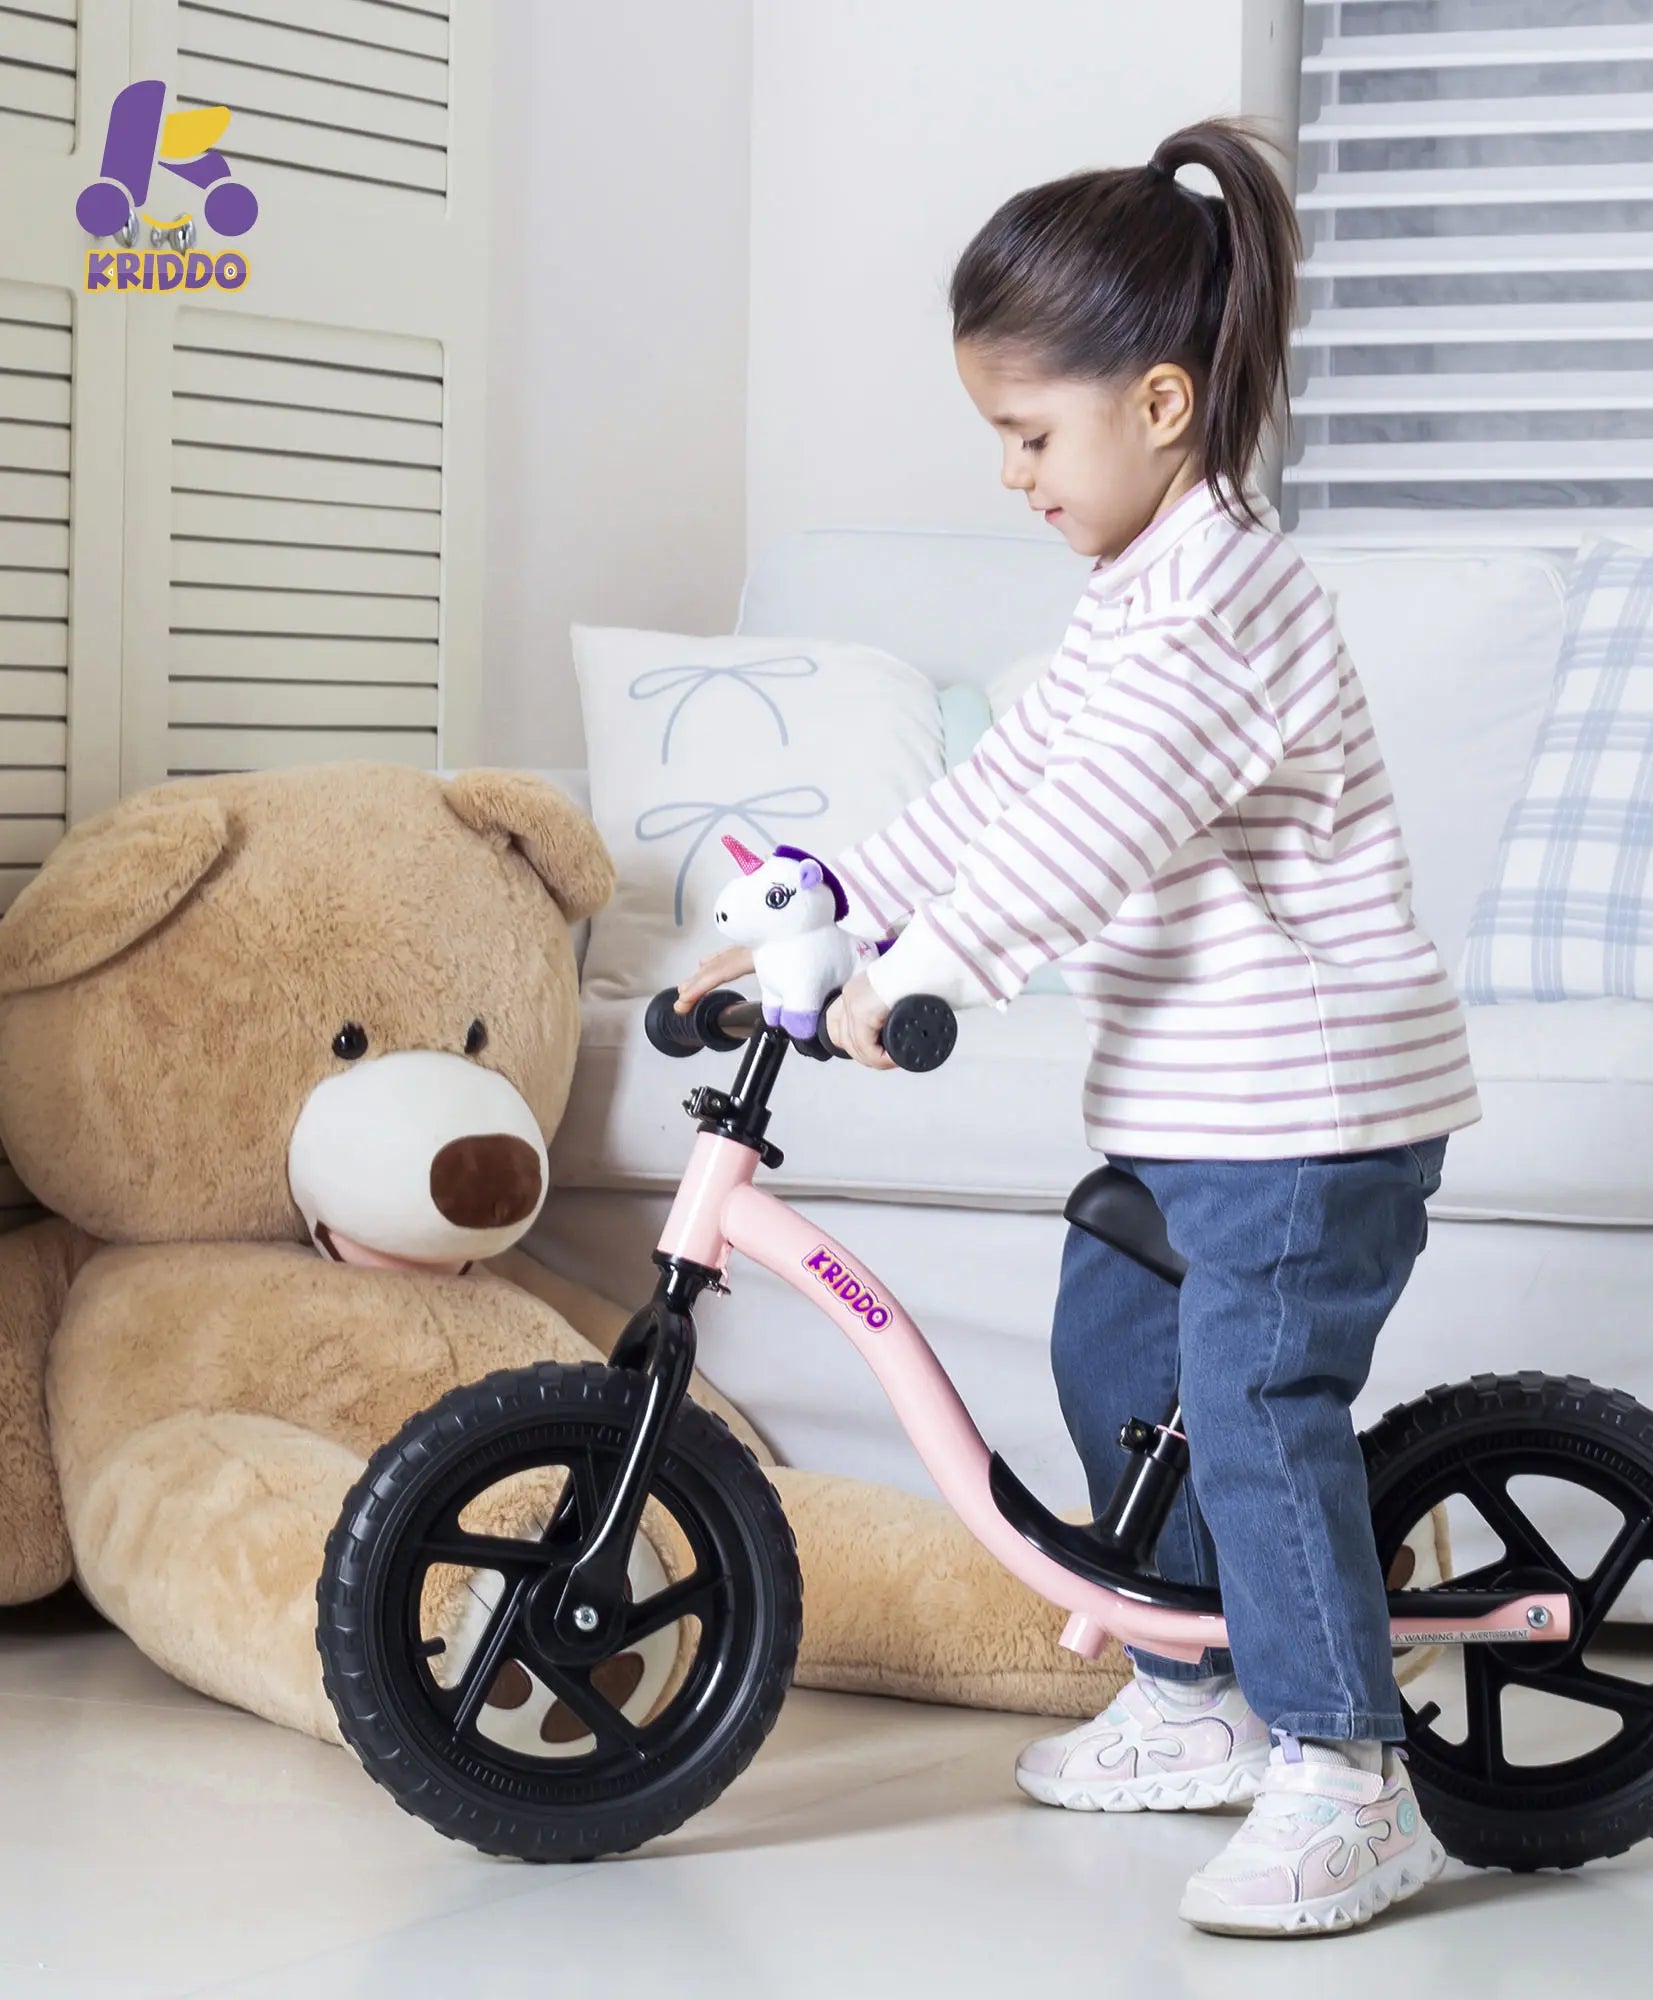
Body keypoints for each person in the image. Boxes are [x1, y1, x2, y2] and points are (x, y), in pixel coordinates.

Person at [675, 114, 1479, 1938]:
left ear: (1164, 405)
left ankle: (1350, 1771)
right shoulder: (1130, 602)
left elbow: (1088, 835)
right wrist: (829, 904)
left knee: (1250, 1400)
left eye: (1032, 434)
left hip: (1311, 1110)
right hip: (1194, 1109)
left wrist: (930, 974)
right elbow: (1000, 789)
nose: (1014, 474)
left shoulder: (1223, 612)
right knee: (1119, 1363)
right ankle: (1195, 1695)